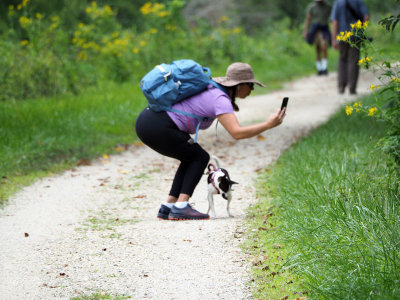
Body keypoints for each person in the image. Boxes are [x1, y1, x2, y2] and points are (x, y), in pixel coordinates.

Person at [135, 62, 286, 220]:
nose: (252, 90)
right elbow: (237, 133)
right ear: (240, 85)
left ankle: (169, 206)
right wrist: (269, 124)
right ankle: (181, 206)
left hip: (148, 121)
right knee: (199, 157)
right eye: (251, 85)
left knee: (190, 156)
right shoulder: (220, 98)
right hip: (158, 126)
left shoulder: (212, 87)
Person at [331, 0, 369, 94]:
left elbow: (335, 22)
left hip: (342, 35)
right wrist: (361, 29)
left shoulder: (338, 2)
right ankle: (352, 88)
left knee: (342, 60)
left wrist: (333, 39)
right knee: (354, 61)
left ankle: (341, 86)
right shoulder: (358, 1)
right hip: (355, 35)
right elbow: (366, 17)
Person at [303, 0, 332, 75]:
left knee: (324, 47)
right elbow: (308, 19)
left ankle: (324, 68)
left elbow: (332, 18)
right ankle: (319, 69)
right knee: (318, 49)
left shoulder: (328, 6)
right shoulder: (312, 7)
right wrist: (305, 31)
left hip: (324, 29)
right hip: (315, 30)